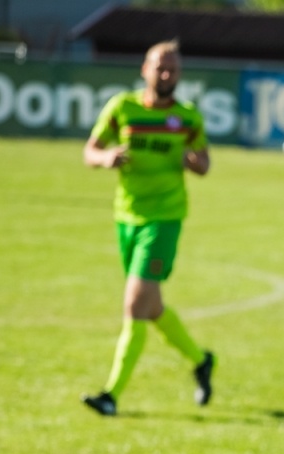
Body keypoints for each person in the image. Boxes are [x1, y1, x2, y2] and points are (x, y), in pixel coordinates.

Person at [80, 41, 215, 418]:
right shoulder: (123, 108)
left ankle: (111, 394)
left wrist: (196, 162)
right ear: (145, 69)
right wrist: (105, 156)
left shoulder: (187, 118)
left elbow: (204, 161)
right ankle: (201, 360)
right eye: (161, 68)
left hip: (165, 218)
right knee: (152, 306)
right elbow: (90, 150)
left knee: (135, 304)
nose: (167, 75)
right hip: (126, 217)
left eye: (174, 69)